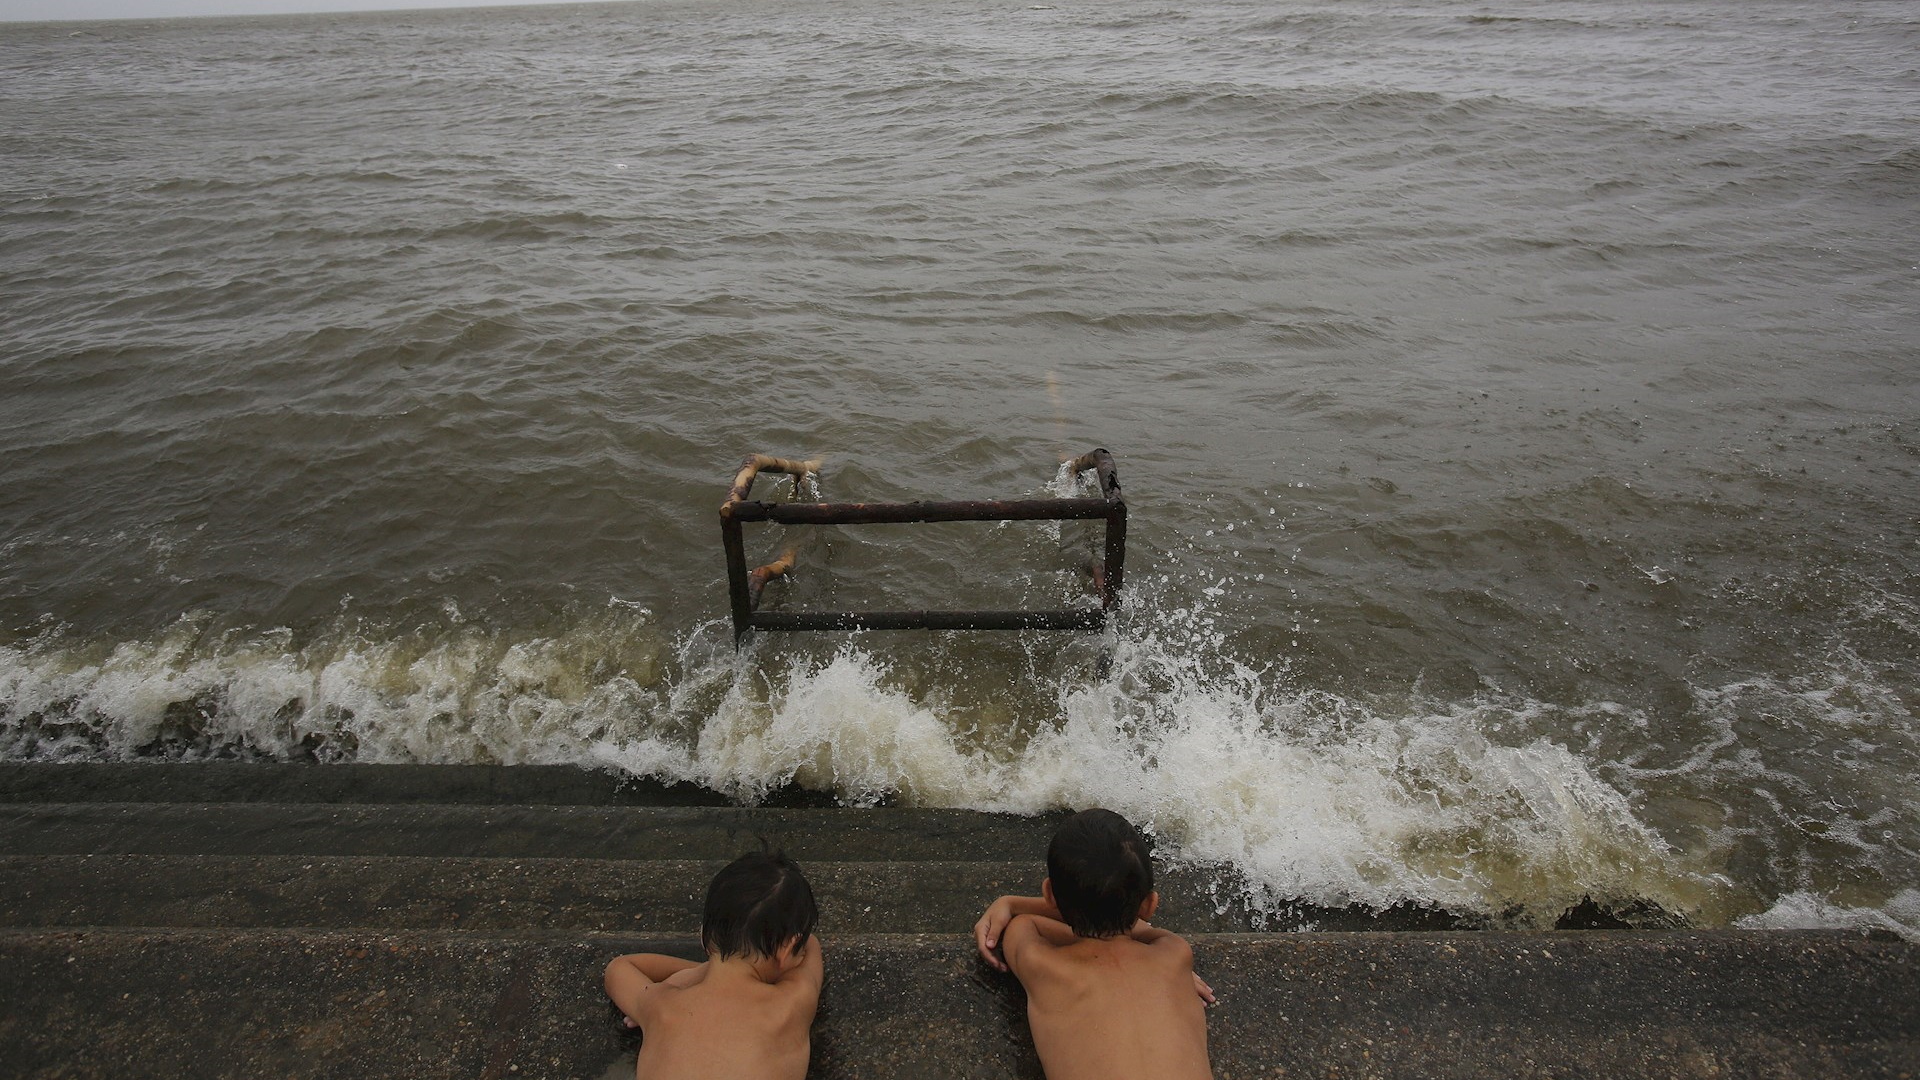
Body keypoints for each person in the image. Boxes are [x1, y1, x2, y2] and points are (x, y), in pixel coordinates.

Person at [973, 808, 1215, 1080]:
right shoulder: (1174, 952)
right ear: (1149, 904)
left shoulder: (1040, 962)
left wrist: (1009, 902)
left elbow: (1025, 921)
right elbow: (1141, 928)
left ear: (1049, 894)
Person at [604, 849, 824, 1080]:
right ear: (789, 948)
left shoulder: (662, 1006)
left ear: (702, 936)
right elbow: (812, 945)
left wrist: (696, 974)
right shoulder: (793, 1001)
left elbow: (619, 967)